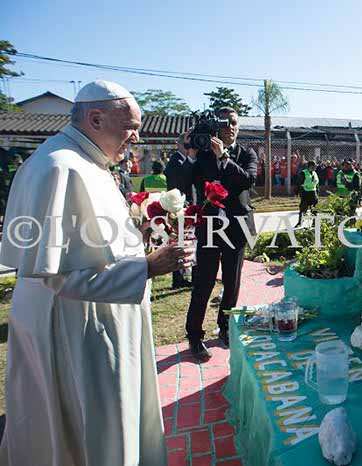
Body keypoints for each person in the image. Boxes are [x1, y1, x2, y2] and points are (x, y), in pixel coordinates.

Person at [0, 80, 194, 465]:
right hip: (75, 330)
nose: (136, 138)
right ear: (95, 118)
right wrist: (148, 267)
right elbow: (60, 276)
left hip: (89, 321)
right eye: (130, 128)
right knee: (90, 432)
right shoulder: (60, 168)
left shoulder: (85, 160)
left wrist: (136, 238)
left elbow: (86, 242)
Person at [186, 106, 257, 362]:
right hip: (209, 227)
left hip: (236, 228)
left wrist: (225, 157)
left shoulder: (246, 153)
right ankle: (194, 336)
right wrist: (190, 154)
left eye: (234, 122)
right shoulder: (203, 153)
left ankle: (226, 328)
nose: (230, 127)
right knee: (203, 283)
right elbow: (183, 181)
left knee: (231, 282)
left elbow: (248, 180)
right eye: (224, 123)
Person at [164, 132, 196, 289]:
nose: (188, 148)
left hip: (185, 206)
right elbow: (178, 185)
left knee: (186, 241)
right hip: (179, 207)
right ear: (179, 145)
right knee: (179, 242)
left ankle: (183, 276)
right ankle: (178, 278)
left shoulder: (182, 160)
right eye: (186, 145)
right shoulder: (176, 161)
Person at [295, 160, 319, 228]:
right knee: (303, 208)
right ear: (309, 166)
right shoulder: (303, 173)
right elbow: (298, 183)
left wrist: (317, 192)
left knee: (314, 209)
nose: (314, 168)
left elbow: (317, 184)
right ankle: (300, 222)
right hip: (305, 193)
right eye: (313, 166)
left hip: (313, 193)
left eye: (315, 166)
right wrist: (296, 192)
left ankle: (314, 223)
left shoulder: (315, 173)